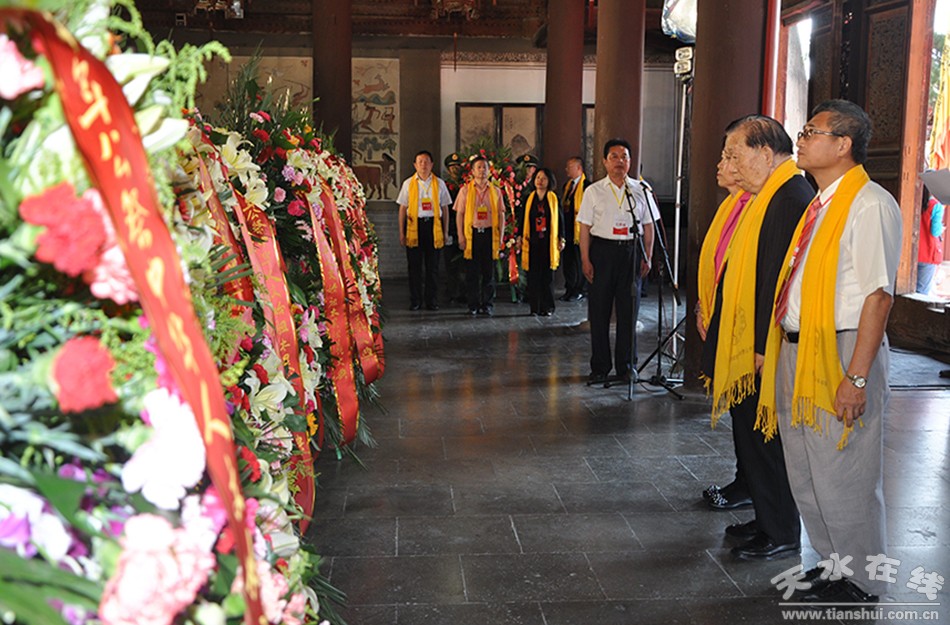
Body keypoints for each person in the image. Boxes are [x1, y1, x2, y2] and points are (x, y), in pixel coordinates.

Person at [758, 100, 902, 604]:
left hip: (841, 350)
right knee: (806, 468)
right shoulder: (819, 204)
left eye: (810, 132)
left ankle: (862, 579)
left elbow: (878, 297)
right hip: (801, 349)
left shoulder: (869, 204)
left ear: (843, 145)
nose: (800, 140)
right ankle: (830, 561)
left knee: (846, 470)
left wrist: (856, 378)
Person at [706, 115, 811, 560]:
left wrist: (760, 347)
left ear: (765, 154)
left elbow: (776, 280)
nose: (729, 165)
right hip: (751, 339)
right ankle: (766, 518)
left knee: (768, 442)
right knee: (753, 437)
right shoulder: (767, 194)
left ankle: (781, 531)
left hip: (765, 344)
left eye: (735, 155)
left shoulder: (788, 196)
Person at [696, 149, 754, 512]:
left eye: (728, 157)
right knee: (740, 412)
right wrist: (704, 304)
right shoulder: (731, 205)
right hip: (721, 314)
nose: (719, 165)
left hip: (745, 325)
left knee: (750, 415)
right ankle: (745, 481)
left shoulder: (757, 206)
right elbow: (717, 263)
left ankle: (752, 488)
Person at [577, 138, 654, 384]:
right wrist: (585, 259)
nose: (619, 161)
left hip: (631, 252)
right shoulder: (593, 191)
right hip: (602, 252)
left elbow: (648, 226)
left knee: (628, 311)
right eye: (614, 157)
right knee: (599, 311)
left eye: (624, 157)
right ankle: (600, 366)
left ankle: (626, 366)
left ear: (630, 162)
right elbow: (584, 228)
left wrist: (648, 255)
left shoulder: (641, 190)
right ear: (604, 161)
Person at [397, 150, 452, 310]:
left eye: (426, 161)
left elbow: (445, 209)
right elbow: (402, 209)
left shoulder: (439, 184)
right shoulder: (408, 183)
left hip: (434, 227)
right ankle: (415, 300)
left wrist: (446, 231)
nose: (423, 165)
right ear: (415, 165)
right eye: (420, 161)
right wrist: (401, 232)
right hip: (414, 227)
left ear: (432, 164)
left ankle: (431, 300)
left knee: (432, 267)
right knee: (414, 267)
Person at [455, 156, 507, 316]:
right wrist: (461, 236)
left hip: (490, 234)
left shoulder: (495, 191)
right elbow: (459, 214)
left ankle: (487, 304)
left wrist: (501, 237)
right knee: (472, 272)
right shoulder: (465, 190)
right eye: (478, 167)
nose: (482, 170)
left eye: (485, 167)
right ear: (472, 171)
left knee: (488, 273)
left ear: (489, 171)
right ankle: (473, 304)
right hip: (473, 235)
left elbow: (501, 215)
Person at [520, 167, 565, 316]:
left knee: (547, 277)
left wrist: (562, 238)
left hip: (548, 242)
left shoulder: (553, 198)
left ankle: (548, 307)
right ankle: (535, 307)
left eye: (544, 178)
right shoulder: (529, 198)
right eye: (538, 178)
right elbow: (522, 219)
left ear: (549, 181)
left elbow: (561, 220)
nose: (540, 181)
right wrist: (520, 237)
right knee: (533, 276)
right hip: (532, 242)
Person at [560, 156, 590, 302]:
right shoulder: (567, 186)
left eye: (570, 167)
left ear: (579, 168)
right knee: (568, 262)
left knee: (579, 261)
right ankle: (570, 288)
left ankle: (580, 289)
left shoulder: (587, 186)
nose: (566, 170)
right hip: (567, 230)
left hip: (580, 231)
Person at [443, 152, 466, 305]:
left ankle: (464, 293)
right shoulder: (444, 186)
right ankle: (452, 293)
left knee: (465, 265)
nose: (455, 170)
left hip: (465, 229)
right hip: (450, 229)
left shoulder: (466, 186)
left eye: (458, 167)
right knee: (450, 264)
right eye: (452, 167)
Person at [916, 186, 944, 295]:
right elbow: (935, 231)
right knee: (921, 292)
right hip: (927, 252)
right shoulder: (936, 205)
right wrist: (941, 228)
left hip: (911, 252)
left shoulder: (913, 202)